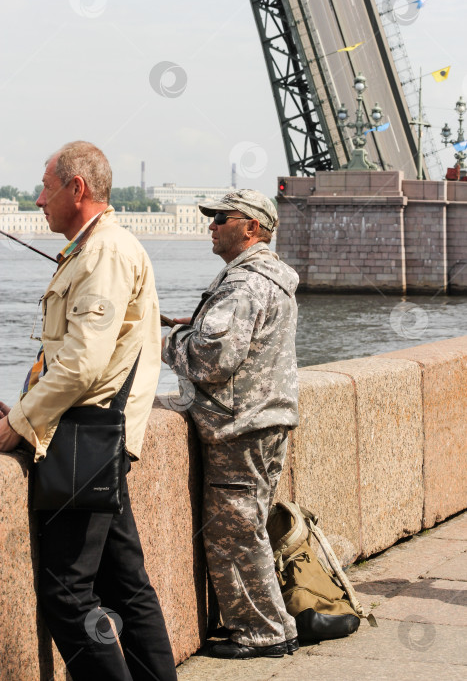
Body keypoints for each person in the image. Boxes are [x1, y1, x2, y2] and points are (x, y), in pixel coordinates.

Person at [0, 141, 177, 680]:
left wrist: (16, 423)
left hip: (84, 440)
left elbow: (81, 363)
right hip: (100, 439)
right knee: (126, 585)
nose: (38, 199)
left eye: (46, 187)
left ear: (77, 189)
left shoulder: (103, 253)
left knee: (67, 594)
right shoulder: (96, 249)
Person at [162, 189, 300, 659]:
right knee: (250, 527)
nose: (212, 225)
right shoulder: (271, 278)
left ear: (252, 228)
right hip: (264, 420)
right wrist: (200, 321)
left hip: (239, 428)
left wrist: (169, 341)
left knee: (236, 533)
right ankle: (271, 624)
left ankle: (264, 633)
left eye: (223, 218)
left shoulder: (243, 284)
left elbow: (211, 359)